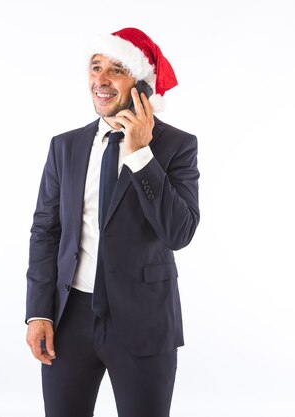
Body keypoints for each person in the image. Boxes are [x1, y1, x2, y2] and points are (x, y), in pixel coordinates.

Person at [25, 28, 200, 417]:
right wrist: (39, 312)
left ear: (141, 85)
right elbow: (46, 231)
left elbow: (179, 232)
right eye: (95, 67)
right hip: (69, 321)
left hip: (143, 321)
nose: (100, 80)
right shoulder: (64, 146)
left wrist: (141, 154)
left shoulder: (177, 146)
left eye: (116, 69)